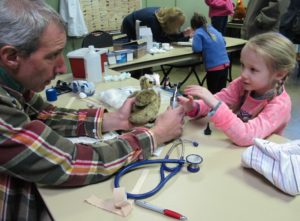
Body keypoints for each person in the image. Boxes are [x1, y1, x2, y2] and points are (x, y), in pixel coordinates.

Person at [0, 0, 185, 220]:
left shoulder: (12, 83)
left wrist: (113, 121)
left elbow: (43, 115)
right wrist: (155, 135)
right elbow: (68, 162)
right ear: (11, 56)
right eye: (52, 56)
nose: (61, 68)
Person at [178, 32, 296, 147]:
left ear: (279, 74)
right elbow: (220, 99)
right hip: (235, 148)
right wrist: (195, 107)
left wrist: (215, 103)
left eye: (253, 69)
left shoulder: (280, 105)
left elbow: (247, 135)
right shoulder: (243, 84)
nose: (244, 74)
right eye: (243, 65)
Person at [191, 12, 230, 94]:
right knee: (221, 92)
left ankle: (212, 107)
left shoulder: (198, 32)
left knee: (212, 93)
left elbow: (197, 49)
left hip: (214, 67)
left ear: (193, 26)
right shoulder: (213, 29)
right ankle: (221, 106)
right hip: (225, 64)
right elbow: (224, 42)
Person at [121, 7, 193, 43]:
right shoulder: (153, 21)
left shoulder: (164, 15)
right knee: (138, 51)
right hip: (130, 26)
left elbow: (168, 36)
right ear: (171, 23)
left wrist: (183, 34)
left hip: (139, 23)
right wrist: (182, 35)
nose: (178, 28)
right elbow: (161, 40)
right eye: (178, 25)